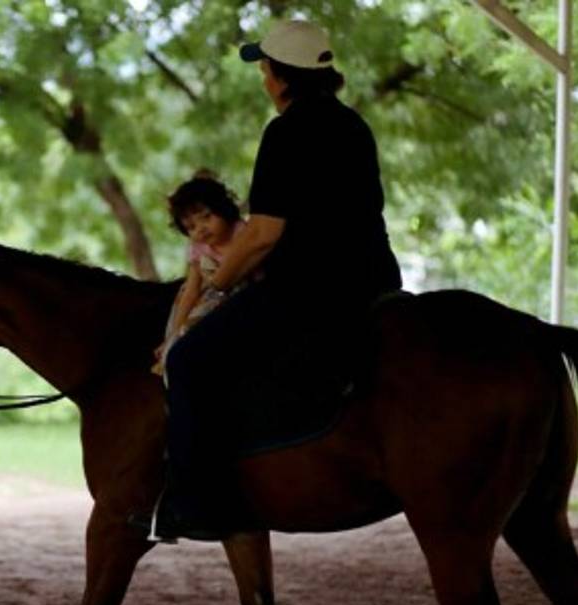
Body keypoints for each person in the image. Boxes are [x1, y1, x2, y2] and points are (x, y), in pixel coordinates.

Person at [155, 18, 403, 543]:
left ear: (283, 75)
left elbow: (265, 232)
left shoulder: (286, 131)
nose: (264, 79)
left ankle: (196, 502)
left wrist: (219, 282)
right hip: (375, 281)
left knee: (188, 359)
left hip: (308, 290)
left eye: (265, 68)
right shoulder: (353, 125)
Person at [153, 175, 249, 374]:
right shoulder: (198, 248)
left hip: (239, 291)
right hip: (210, 294)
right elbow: (192, 290)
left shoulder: (243, 233)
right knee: (184, 300)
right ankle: (171, 345)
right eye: (191, 227)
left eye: (206, 217)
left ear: (222, 209)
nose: (201, 229)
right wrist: (172, 334)